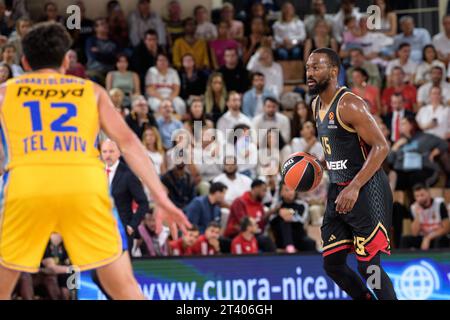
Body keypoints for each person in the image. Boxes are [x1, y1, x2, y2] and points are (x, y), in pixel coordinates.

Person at [0, 22, 190, 300]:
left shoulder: (5, 92)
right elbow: (128, 143)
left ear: (25, 62)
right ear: (66, 60)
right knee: (126, 291)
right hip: (85, 187)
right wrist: (161, 196)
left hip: (26, 188)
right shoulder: (91, 91)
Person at [306, 48, 396, 300]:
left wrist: (355, 187)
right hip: (338, 190)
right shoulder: (315, 105)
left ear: (334, 71)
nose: (309, 73)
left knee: (369, 268)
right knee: (332, 264)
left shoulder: (350, 104)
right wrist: (321, 164)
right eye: (308, 68)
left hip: (366, 190)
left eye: (316, 67)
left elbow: (381, 147)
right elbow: (340, 147)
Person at [101, 139, 149, 252]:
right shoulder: (96, 172)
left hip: (122, 231)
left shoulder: (129, 175)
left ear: (119, 153)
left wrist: (132, 225)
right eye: (105, 151)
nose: (108, 155)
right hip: (101, 231)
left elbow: (144, 203)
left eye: (111, 151)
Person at [387, 114, 448, 190]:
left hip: (423, 169)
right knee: (393, 176)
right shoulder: (400, 142)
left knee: (415, 177)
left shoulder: (424, 137)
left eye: (403, 124)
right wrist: (395, 147)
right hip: (404, 171)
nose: (400, 126)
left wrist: (434, 152)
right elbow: (390, 161)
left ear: (411, 125)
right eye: (400, 124)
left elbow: (444, 143)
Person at [224, 179, 276, 252]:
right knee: (265, 240)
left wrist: (268, 215)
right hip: (236, 234)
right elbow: (244, 223)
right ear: (255, 188)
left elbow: (260, 226)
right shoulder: (239, 201)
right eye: (263, 190)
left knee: (267, 239)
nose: (264, 194)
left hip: (253, 234)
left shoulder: (260, 205)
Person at [400, 184, 450, 250]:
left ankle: (436, 259)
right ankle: (405, 259)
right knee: (405, 239)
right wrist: (417, 216)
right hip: (423, 237)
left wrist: (428, 238)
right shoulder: (413, 208)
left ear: (428, 193)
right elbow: (414, 233)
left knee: (439, 240)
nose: (419, 198)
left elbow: (446, 228)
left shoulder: (439, 204)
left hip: (437, 236)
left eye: (422, 195)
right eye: (417, 196)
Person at [271, 184, 317, 253]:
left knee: (310, 242)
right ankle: (289, 247)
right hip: (281, 239)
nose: (290, 192)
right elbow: (271, 221)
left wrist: (289, 215)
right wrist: (278, 212)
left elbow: (302, 220)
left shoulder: (302, 205)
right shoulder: (277, 206)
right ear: (281, 192)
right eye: (286, 190)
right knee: (285, 223)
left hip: (298, 237)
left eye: (292, 190)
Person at [85, 18, 118, 85]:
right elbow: (94, 56)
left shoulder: (114, 41)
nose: (105, 25)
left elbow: (116, 58)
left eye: (106, 23)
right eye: (102, 24)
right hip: (95, 71)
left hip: (111, 71)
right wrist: (108, 55)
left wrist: (99, 52)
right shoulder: (91, 41)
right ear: (95, 28)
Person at [130, 29, 163, 93]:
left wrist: (155, 54)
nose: (152, 42)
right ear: (145, 41)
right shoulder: (138, 50)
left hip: (158, 74)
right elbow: (137, 67)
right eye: (149, 39)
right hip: (142, 74)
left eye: (154, 39)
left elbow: (163, 65)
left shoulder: (159, 49)